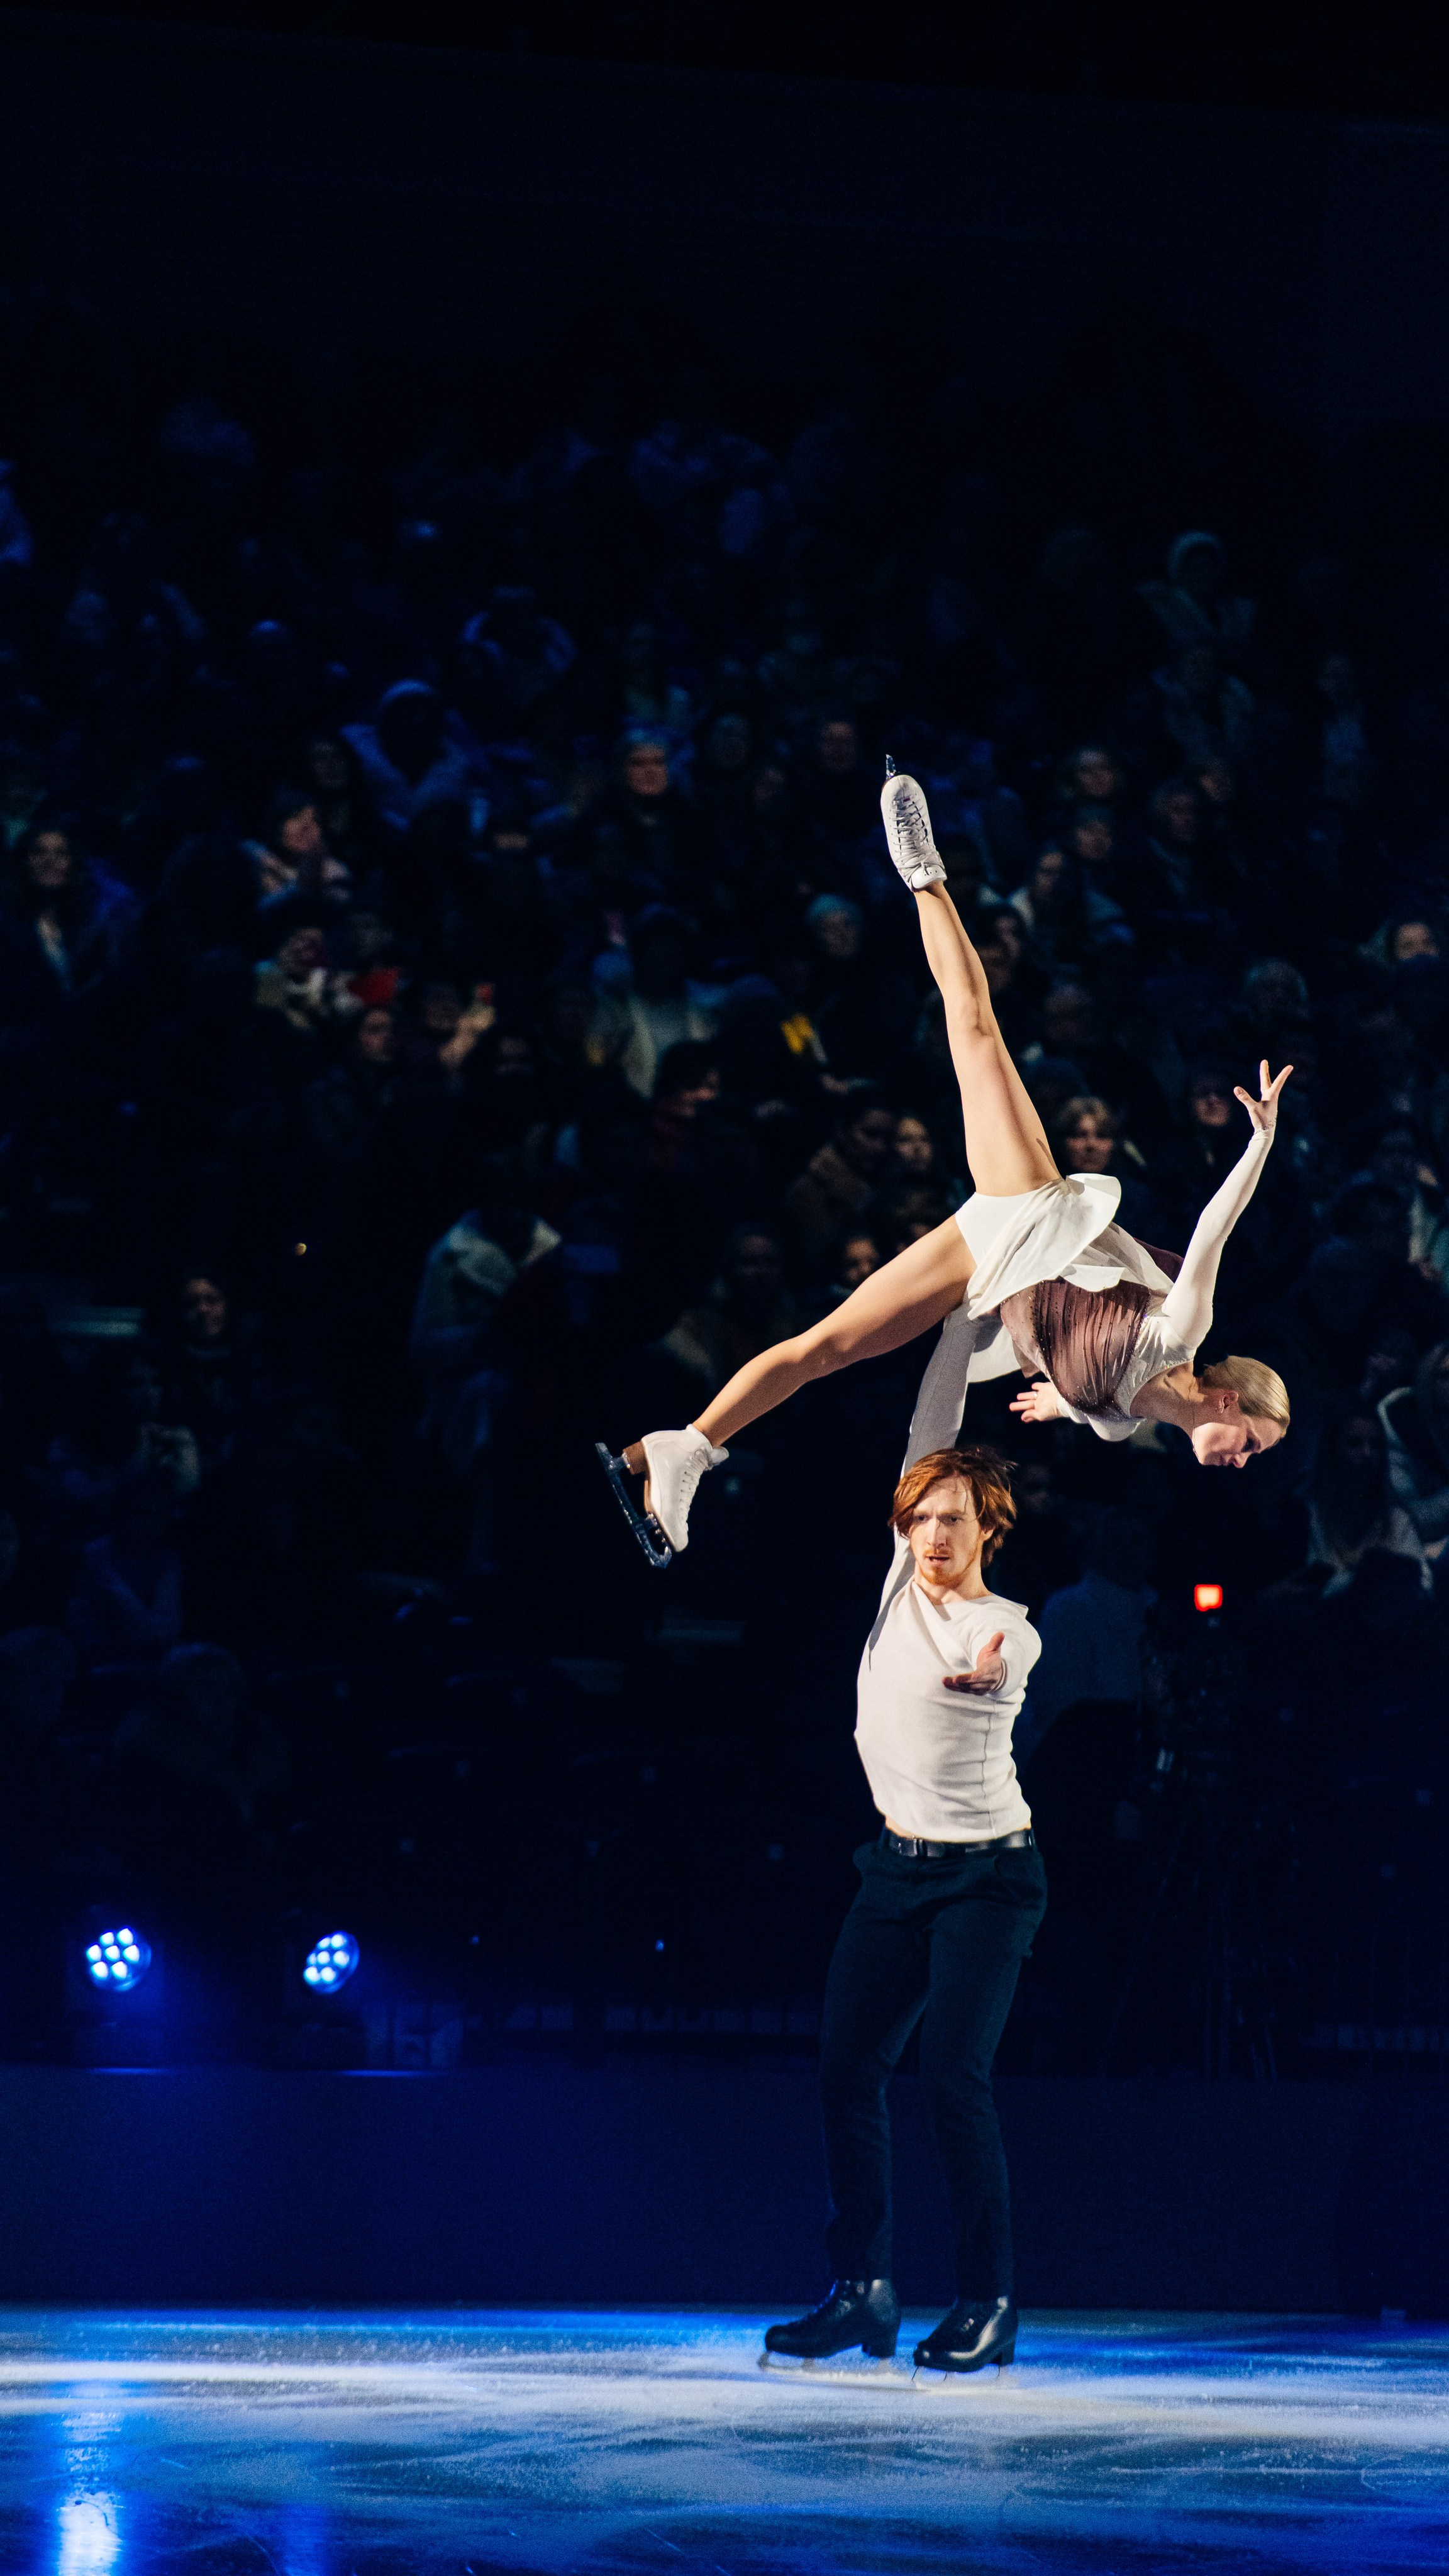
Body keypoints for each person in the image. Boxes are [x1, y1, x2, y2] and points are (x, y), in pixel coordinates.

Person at [618, 772, 1292, 1554]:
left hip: (989, 1267)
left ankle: (685, 1445)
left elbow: (1087, 1394)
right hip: (1034, 1206)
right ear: (1231, 1405)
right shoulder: (1182, 1330)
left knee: (828, 1347)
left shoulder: (1114, 1425)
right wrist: (1261, 1142)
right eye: (1254, 1445)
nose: (1243, 1462)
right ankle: (923, 872)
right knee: (975, 1032)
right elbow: (1213, 1229)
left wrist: (1055, 1406)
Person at [762, 1445, 1044, 2375]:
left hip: (988, 1881)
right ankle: (864, 2293)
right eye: (921, 1518)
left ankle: (987, 2301)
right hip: (891, 1872)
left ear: (988, 1528)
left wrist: (993, 1673)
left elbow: (1006, 1662)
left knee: (952, 2078)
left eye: (954, 1518)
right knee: (847, 2070)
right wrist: (964, 1320)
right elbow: (933, 1405)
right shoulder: (896, 1593)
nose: (933, 1534)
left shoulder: (1003, 1623)